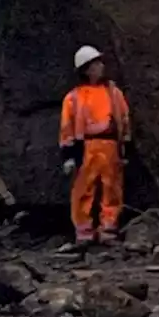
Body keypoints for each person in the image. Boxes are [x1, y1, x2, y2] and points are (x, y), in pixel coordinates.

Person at [59, 45, 131, 246]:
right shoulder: (73, 97)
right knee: (83, 189)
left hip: (110, 145)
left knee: (112, 187)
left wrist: (125, 146)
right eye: (96, 63)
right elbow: (67, 127)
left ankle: (108, 229)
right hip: (86, 147)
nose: (100, 66)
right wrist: (68, 155)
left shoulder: (113, 93)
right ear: (86, 68)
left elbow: (124, 120)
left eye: (100, 62)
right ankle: (84, 232)